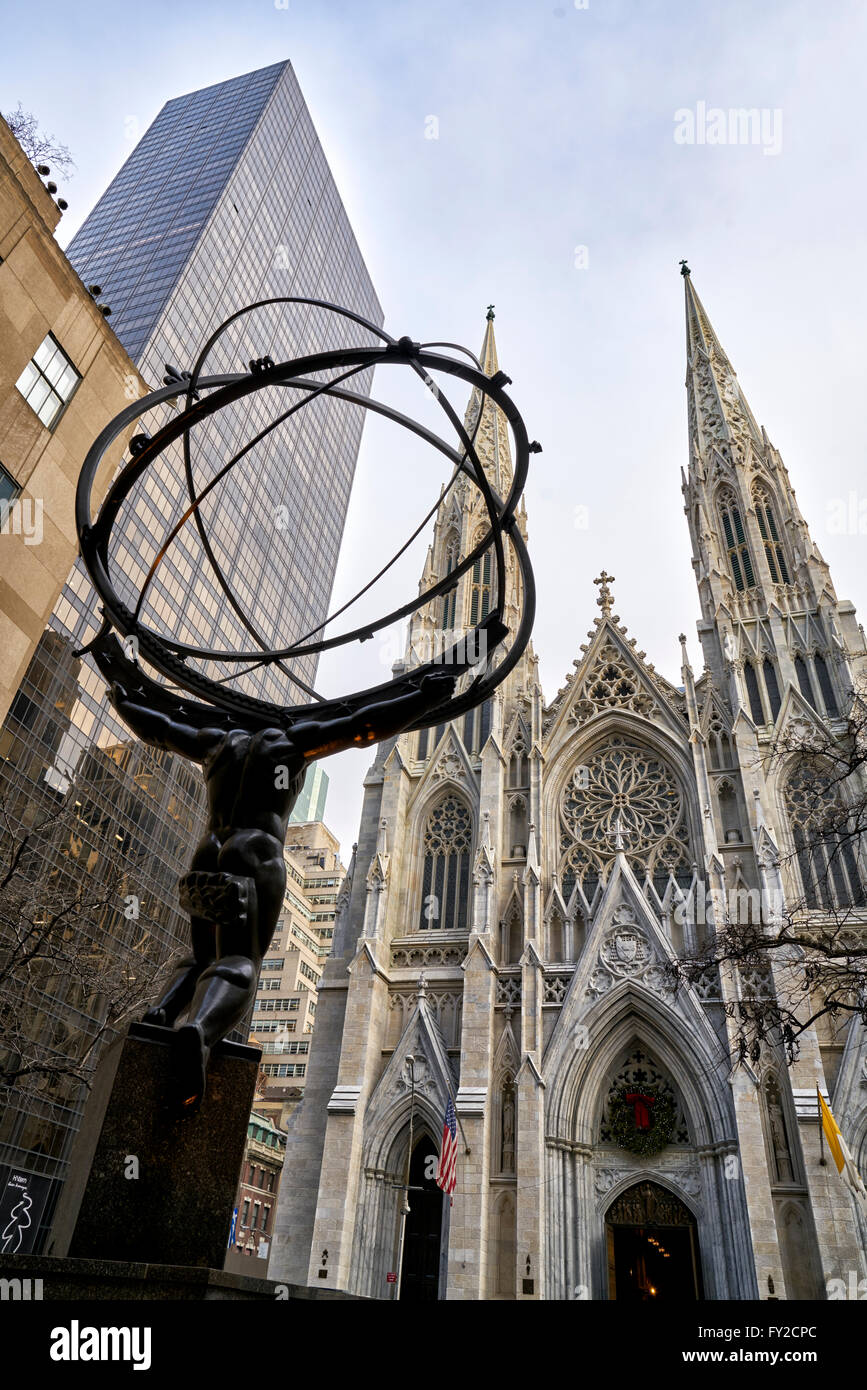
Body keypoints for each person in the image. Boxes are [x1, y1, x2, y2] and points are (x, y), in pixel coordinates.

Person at [110, 669, 457, 1110]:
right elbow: (362, 726)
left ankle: (160, 1012)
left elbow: (159, 729)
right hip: (253, 853)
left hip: (208, 851)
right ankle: (198, 1028)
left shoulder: (218, 741)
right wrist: (422, 701)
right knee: (238, 962)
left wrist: (122, 699)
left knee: (200, 956)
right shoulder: (290, 742)